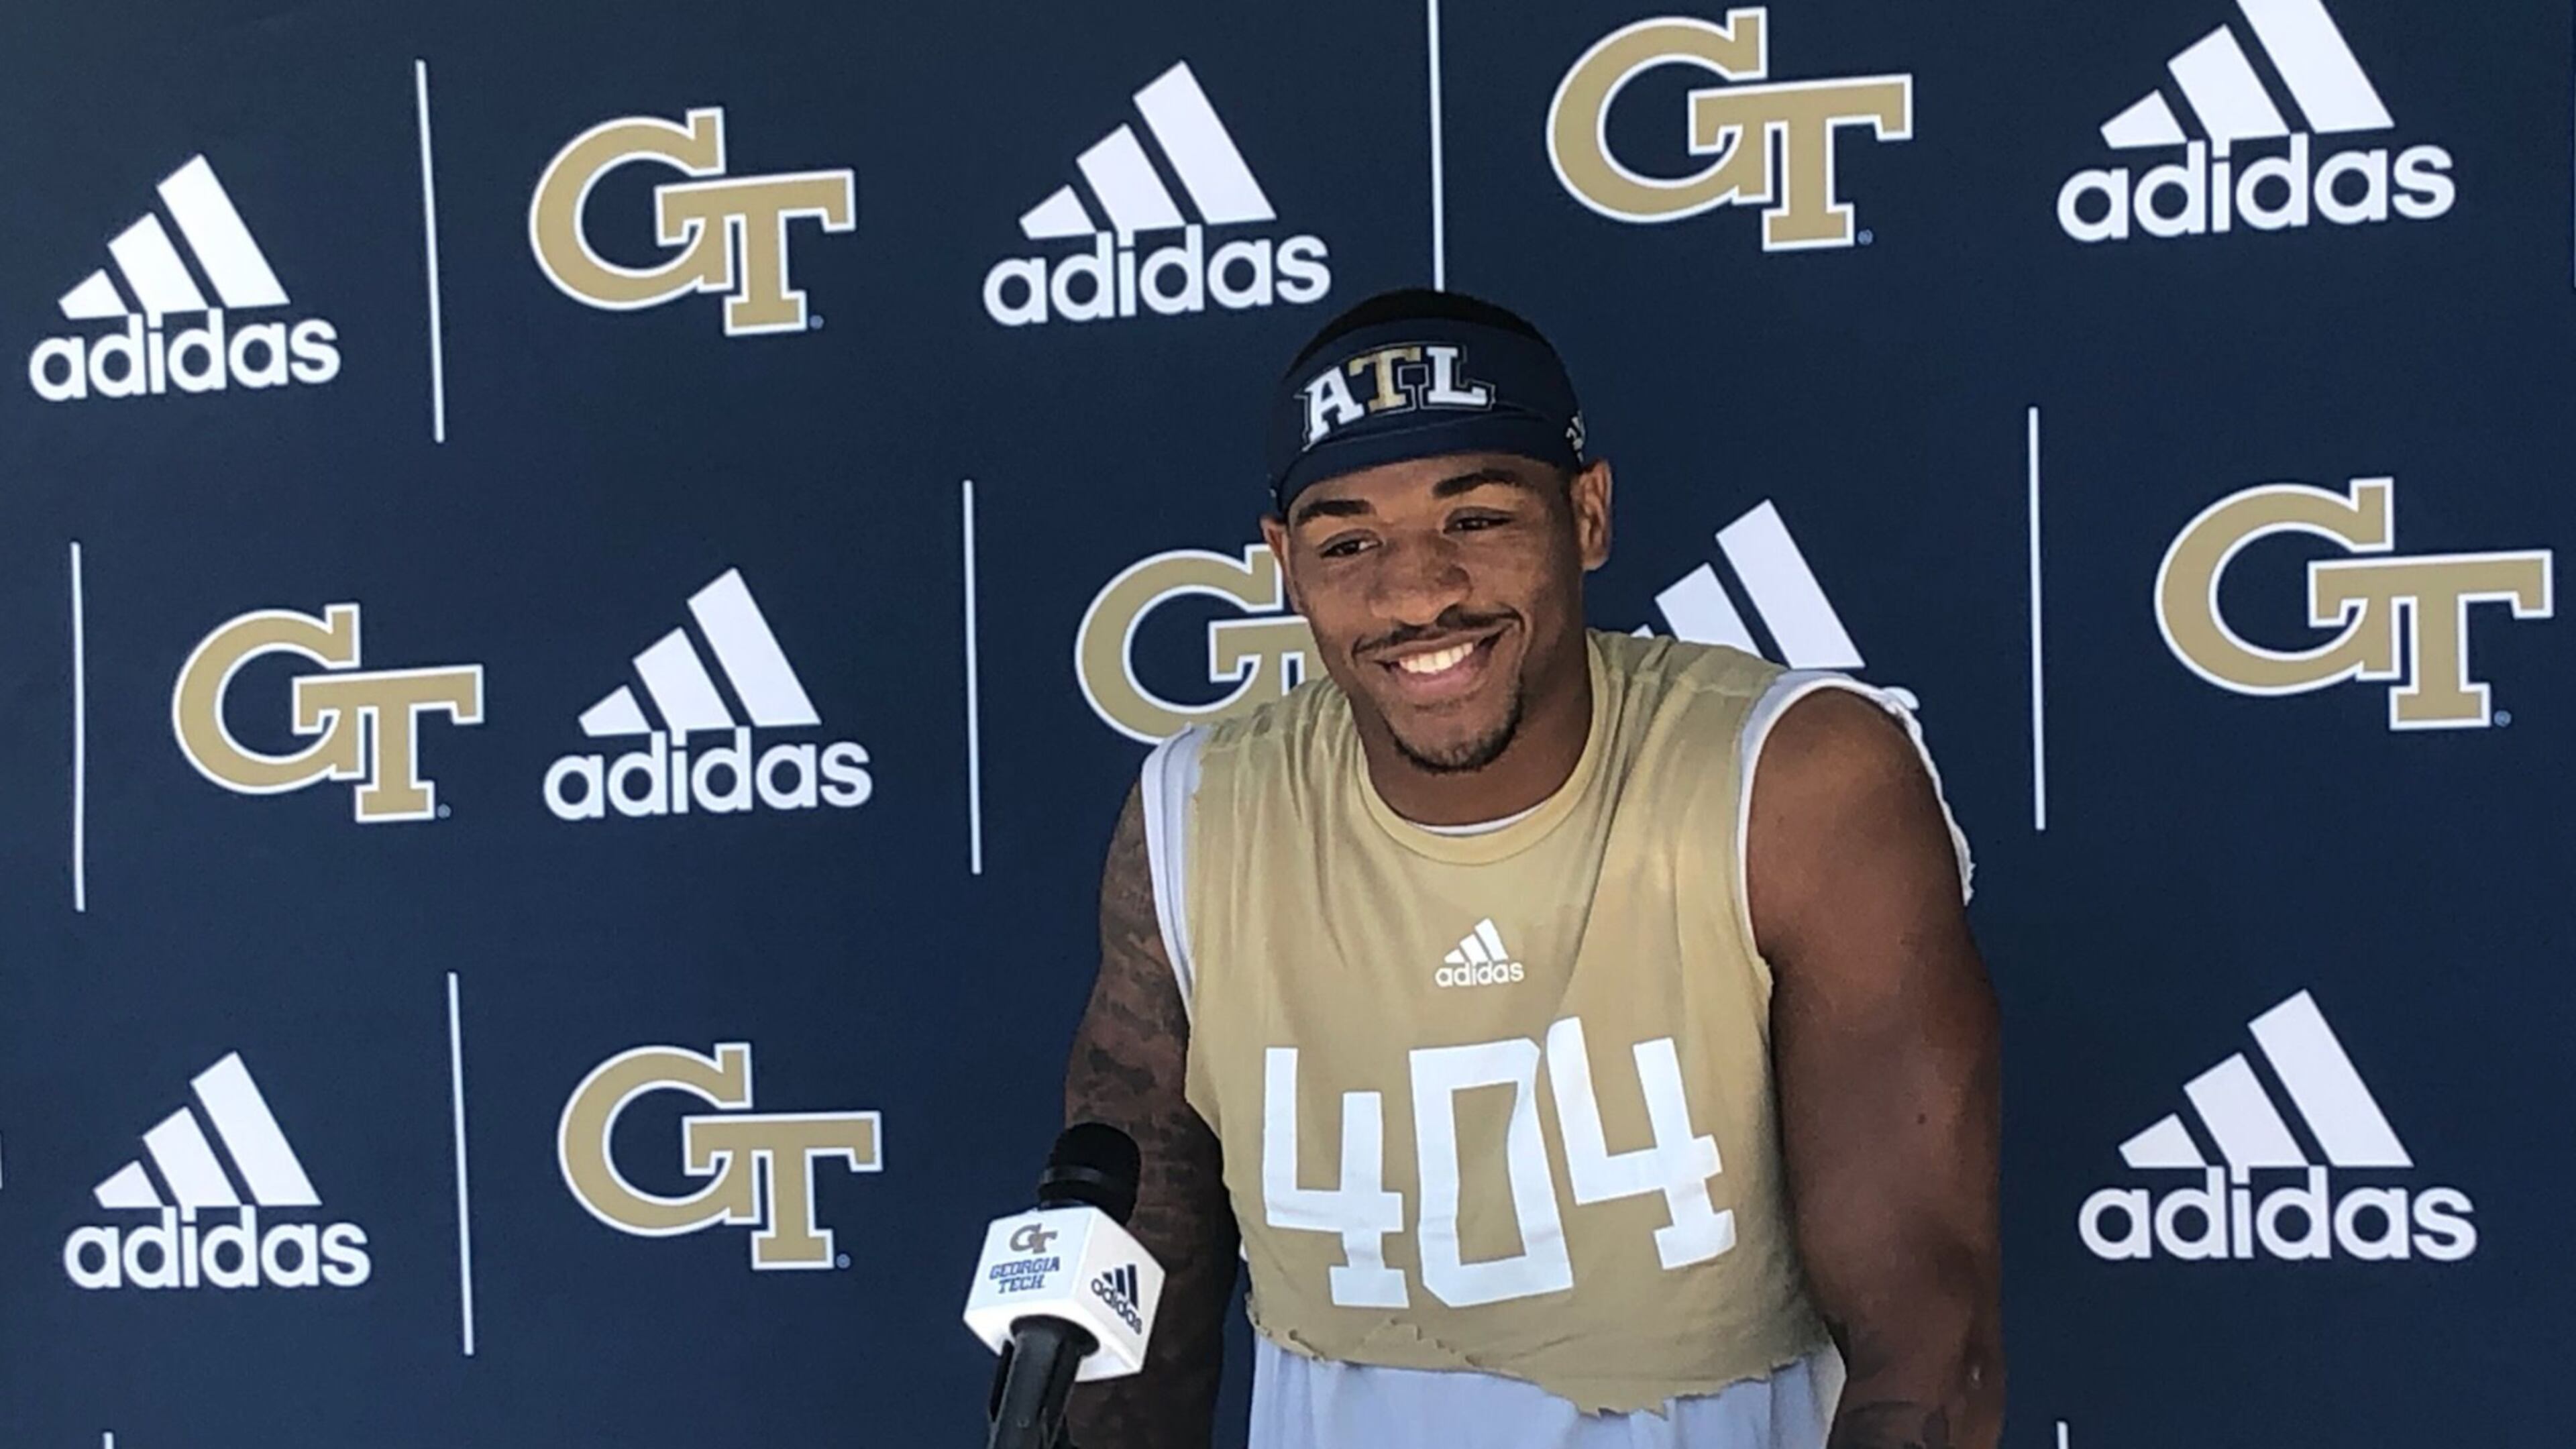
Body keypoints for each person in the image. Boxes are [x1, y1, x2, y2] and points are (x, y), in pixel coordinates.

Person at [1063, 288, 2002, 1449]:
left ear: (1588, 515)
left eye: (1477, 520)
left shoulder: (1793, 778)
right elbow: (1132, 1282)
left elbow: (1926, 1330)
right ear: (1283, 567)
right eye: (1348, 542)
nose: (1416, 592)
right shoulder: (1199, 812)